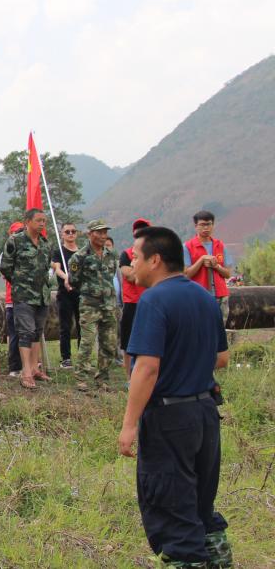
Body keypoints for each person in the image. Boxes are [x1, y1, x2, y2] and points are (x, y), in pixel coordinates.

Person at [118, 225, 232, 568]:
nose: (132, 265)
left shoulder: (154, 300)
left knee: (171, 509)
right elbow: (222, 358)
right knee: (200, 504)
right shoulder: (204, 297)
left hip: (170, 419)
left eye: (135, 258)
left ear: (155, 260)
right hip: (205, 414)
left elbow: (146, 368)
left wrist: (129, 425)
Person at [0, 208, 53, 390]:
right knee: (26, 332)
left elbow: (46, 267)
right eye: (38, 220)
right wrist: (19, 282)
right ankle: (26, 372)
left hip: (42, 296)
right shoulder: (15, 241)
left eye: (44, 221)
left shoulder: (45, 243)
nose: (42, 224)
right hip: (23, 295)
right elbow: (5, 267)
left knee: (37, 331)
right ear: (28, 221)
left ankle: (35, 369)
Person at [67, 220, 119, 392]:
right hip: (90, 306)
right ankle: (81, 378)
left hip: (109, 305)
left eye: (105, 232)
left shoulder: (111, 255)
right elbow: (74, 280)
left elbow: (112, 274)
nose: (103, 236)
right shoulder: (79, 257)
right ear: (90, 234)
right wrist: (91, 291)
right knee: (87, 342)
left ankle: (102, 379)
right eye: (99, 232)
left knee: (109, 344)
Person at [183, 210, 233, 326]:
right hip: (198, 296)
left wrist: (216, 266)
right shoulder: (187, 247)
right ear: (196, 226)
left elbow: (227, 274)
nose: (206, 228)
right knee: (200, 327)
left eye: (208, 224)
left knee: (220, 328)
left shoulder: (220, 245)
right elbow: (186, 274)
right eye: (202, 225)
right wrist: (201, 260)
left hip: (221, 295)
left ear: (213, 225)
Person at [119, 218, 151, 379]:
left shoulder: (155, 254)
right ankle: (129, 377)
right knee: (128, 341)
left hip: (152, 301)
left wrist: (138, 270)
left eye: (144, 229)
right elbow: (130, 276)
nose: (141, 232)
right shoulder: (126, 254)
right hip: (132, 302)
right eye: (138, 230)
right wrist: (147, 271)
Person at [50, 221, 81, 369]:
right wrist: (66, 277)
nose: (70, 234)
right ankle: (66, 358)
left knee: (83, 326)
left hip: (80, 293)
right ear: (62, 234)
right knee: (65, 326)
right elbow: (57, 268)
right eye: (67, 232)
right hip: (65, 293)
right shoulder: (58, 252)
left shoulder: (82, 252)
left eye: (73, 231)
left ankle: (83, 357)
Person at [1, 221, 25, 377]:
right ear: (11, 235)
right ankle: (14, 367)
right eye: (16, 232)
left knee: (29, 332)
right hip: (12, 299)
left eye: (21, 232)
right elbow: (5, 272)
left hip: (29, 300)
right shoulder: (6, 253)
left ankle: (31, 365)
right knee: (15, 334)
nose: (18, 235)